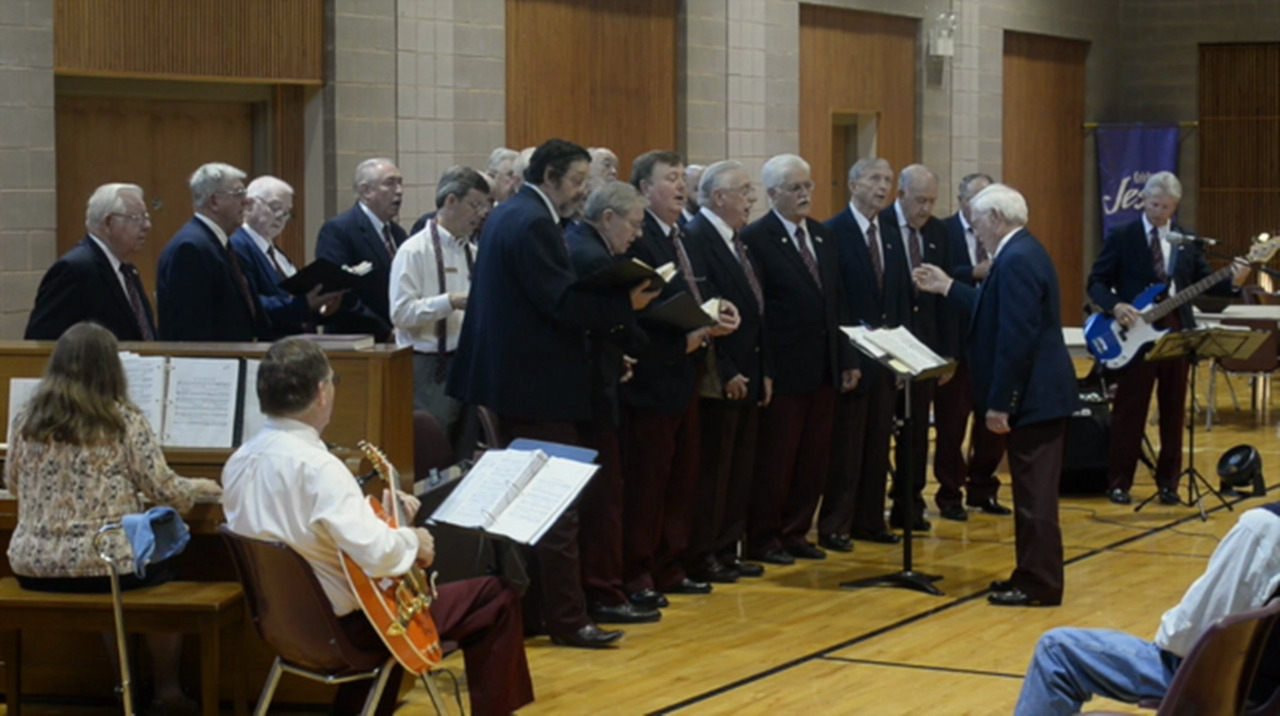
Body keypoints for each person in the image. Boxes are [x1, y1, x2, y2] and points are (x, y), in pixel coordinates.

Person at [221, 337, 534, 716]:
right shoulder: (318, 468)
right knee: (494, 596)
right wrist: (412, 539)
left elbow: (307, 538)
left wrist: (385, 525)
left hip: (283, 630)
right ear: (322, 392)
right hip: (348, 633)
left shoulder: (237, 462)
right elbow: (381, 558)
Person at [448, 138, 647, 648]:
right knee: (554, 504)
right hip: (535, 386)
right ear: (553, 176)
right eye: (578, 181)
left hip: (515, 381)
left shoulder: (511, 214)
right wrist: (626, 304)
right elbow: (558, 302)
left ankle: (538, 613)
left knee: (532, 503)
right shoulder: (533, 221)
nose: (582, 192)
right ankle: (566, 618)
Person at [5, 322, 222, 712]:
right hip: (103, 565)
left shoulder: (26, 420)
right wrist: (201, 487)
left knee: (111, 575)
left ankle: (124, 685)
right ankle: (167, 691)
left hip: (32, 564)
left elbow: (15, 485)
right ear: (111, 369)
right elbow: (166, 491)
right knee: (161, 568)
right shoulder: (121, 419)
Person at [914, 183, 1077, 607]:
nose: (974, 228)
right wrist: (949, 287)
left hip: (1035, 398)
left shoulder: (1017, 259)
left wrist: (1000, 403)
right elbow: (994, 309)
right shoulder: (1021, 252)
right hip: (1039, 394)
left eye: (977, 220)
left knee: (1035, 497)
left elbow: (1015, 338)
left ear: (996, 218)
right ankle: (1029, 574)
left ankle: (1039, 583)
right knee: (1029, 493)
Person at [1014, 501, 1280, 714]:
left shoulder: (1264, 527)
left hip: (1224, 689)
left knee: (1056, 652)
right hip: (1262, 691)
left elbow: (1184, 639)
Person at [1087, 171, 1248, 505]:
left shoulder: (1185, 241)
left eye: (1166, 207)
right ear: (1143, 200)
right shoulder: (1123, 235)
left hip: (1176, 329)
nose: (1159, 212)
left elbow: (1208, 284)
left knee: (1174, 411)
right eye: (1154, 204)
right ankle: (1119, 481)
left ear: (1176, 207)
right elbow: (1096, 282)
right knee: (1130, 410)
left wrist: (1234, 278)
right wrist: (1115, 306)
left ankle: (1169, 483)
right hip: (1135, 331)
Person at [620, 150, 738, 605]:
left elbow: (692, 291)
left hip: (686, 372)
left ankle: (671, 564)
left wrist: (714, 312)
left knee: (681, 479)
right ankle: (638, 572)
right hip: (653, 375)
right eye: (670, 179)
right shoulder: (640, 236)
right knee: (649, 483)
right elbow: (642, 309)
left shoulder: (680, 234)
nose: (680, 187)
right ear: (645, 189)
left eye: (680, 179)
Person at [743, 153, 858, 565]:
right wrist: (766, 369)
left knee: (813, 459)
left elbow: (837, 302)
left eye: (808, 186)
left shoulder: (824, 237)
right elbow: (759, 312)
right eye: (795, 188)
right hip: (785, 370)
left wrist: (846, 357)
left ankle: (796, 531)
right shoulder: (756, 239)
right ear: (772, 194)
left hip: (824, 368)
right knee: (777, 461)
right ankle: (763, 538)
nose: (805, 194)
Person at [565, 181, 662, 624]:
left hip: (595, 382)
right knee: (603, 496)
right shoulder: (589, 255)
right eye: (634, 224)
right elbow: (588, 320)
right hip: (588, 396)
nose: (637, 235)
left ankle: (607, 588)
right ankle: (603, 591)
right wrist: (629, 305)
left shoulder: (586, 245)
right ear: (608, 218)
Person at [684, 160, 769, 582]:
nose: (751, 199)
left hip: (750, 370)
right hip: (719, 375)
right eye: (744, 191)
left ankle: (727, 549)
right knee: (714, 472)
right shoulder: (698, 237)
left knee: (739, 470)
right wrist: (730, 369)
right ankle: (705, 554)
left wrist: (763, 369)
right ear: (718, 197)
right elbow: (710, 307)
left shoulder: (739, 241)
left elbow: (754, 311)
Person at [821, 157, 906, 548]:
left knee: (877, 444)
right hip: (854, 357)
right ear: (853, 184)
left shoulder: (889, 232)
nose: (882, 186)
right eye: (874, 178)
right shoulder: (833, 233)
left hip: (886, 359)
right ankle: (836, 523)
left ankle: (871, 521)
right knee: (847, 448)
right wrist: (846, 358)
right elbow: (835, 301)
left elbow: (897, 296)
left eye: (888, 180)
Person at [389, 166, 490, 458]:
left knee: (464, 449)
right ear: (450, 201)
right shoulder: (414, 251)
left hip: (466, 362)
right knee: (431, 449)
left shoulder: (472, 252)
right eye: (475, 205)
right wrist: (448, 301)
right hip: (427, 366)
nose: (481, 214)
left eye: (484, 206)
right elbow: (400, 314)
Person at [933, 173, 1011, 521]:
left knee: (992, 423)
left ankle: (983, 487)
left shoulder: (1004, 236)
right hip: (958, 345)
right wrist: (972, 272)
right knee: (951, 426)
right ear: (962, 200)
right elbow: (938, 276)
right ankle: (949, 495)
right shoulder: (943, 231)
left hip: (993, 345)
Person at [887, 164, 956, 532]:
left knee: (916, 434)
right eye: (919, 200)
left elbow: (946, 298)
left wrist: (947, 352)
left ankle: (909, 502)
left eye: (931, 200)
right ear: (900, 196)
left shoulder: (938, 232)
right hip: (888, 348)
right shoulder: (880, 227)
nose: (925, 208)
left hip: (926, 350)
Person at [26, 183, 158, 341]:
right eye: (137, 218)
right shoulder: (74, 270)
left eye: (146, 217)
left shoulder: (127, 270)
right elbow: (42, 339)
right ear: (108, 223)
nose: (147, 226)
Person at [156, 162, 269, 341]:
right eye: (239, 194)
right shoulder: (191, 248)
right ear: (214, 201)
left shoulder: (218, 243)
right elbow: (192, 329)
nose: (247, 201)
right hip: (211, 365)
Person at [230, 176, 343, 338]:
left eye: (287, 212)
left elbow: (294, 303)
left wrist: (322, 310)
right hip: (269, 349)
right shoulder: (238, 246)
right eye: (275, 207)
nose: (280, 217)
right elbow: (250, 304)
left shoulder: (276, 252)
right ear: (249, 205)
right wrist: (304, 304)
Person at [315, 157, 408, 341]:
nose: (399, 191)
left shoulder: (398, 234)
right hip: (356, 342)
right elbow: (341, 295)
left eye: (400, 183)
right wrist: (385, 332)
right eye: (390, 183)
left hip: (397, 340)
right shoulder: (338, 230)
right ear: (366, 191)